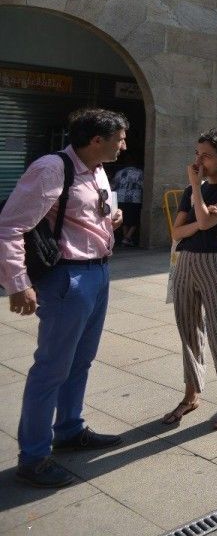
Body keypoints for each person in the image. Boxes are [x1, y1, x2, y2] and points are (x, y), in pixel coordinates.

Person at [0, 108, 127, 488]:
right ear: (96, 140)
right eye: (119, 138)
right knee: (52, 367)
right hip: (67, 277)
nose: (124, 145)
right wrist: (18, 283)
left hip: (98, 271)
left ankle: (70, 430)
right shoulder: (51, 169)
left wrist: (111, 219)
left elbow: (91, 212)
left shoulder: (98, 169)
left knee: (81, 361)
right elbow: (9, 226)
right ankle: (35, 457)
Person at [162, 130, 217, 430]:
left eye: (206, 155)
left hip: (216, 264)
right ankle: (191, 395)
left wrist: (197, 195)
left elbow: (202, 221)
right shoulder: (192, 192)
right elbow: (177, 232)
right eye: (197, 153)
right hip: (186, 263)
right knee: (188, 330)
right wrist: (200, 212)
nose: (198, 160)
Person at [112, 163, 144, 247]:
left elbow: (114, 185)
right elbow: (144, 185)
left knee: (124, 218)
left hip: (121, 197)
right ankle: (127, 238)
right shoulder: (140, 172)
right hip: (134, 198)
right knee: (135, 218)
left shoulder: (119, 172)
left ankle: (125, 238)